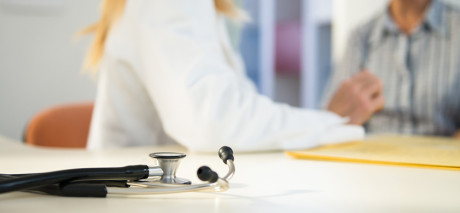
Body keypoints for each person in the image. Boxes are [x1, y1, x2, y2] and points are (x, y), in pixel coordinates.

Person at [83, 0, 381, 152]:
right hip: (133, 212)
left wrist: (324, 120)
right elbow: (214, 123)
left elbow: (239, 106)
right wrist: (327, 120)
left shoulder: (207, 9)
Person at [324, 0, 460, 138]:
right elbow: (329, 121)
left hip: (444, 156)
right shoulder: (360, 38)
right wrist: (335, 117)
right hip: (373, 154)